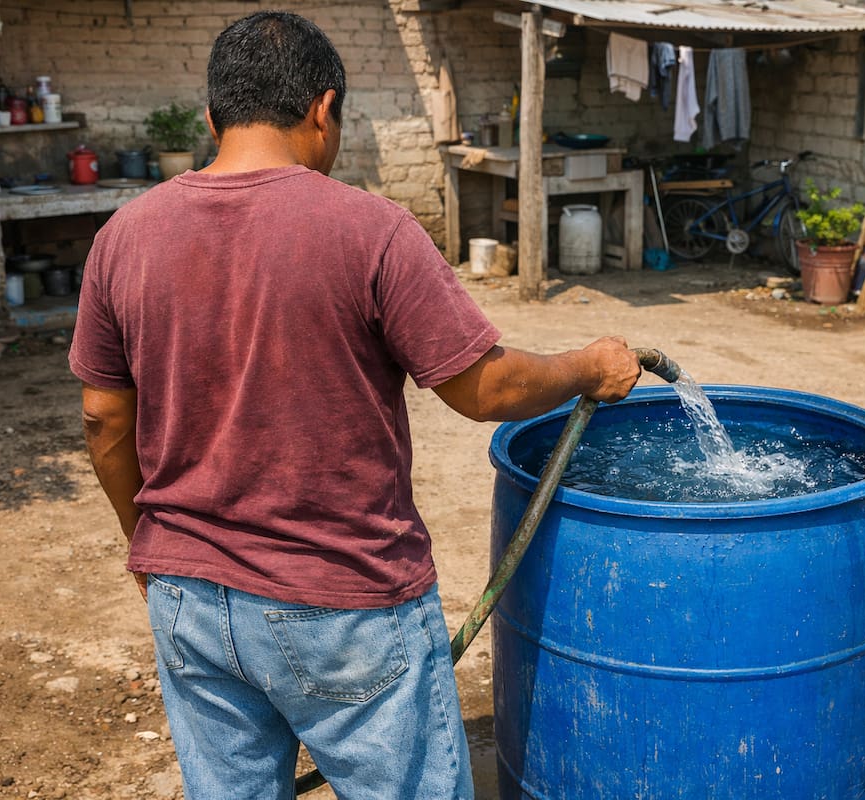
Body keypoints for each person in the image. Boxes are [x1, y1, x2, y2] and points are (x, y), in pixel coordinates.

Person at [69, 11, 639, 800]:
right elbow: (484, 389)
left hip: (188, 598)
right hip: (344, 602)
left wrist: (150, 545)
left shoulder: (123, 236)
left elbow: (103, 419)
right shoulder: (370, 229)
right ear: (323, 108)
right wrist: (589, 366)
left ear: (212, 118)